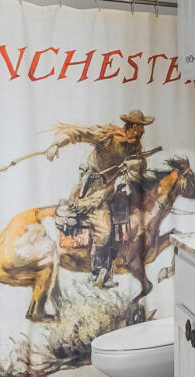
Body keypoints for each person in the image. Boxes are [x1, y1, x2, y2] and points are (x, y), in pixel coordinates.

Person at [49, 110, 157, 288]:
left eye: (143, 127)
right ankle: (98, 273)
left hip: (108, 191)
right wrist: (56, 144)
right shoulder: (107, 136)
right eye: (140, 127)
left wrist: (136, 166)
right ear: (133, 126)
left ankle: (114, 264)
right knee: (104, 230)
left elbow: (139, 170)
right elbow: (78, 133)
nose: (143, 131)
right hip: (91, 193)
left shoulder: (135, 145)